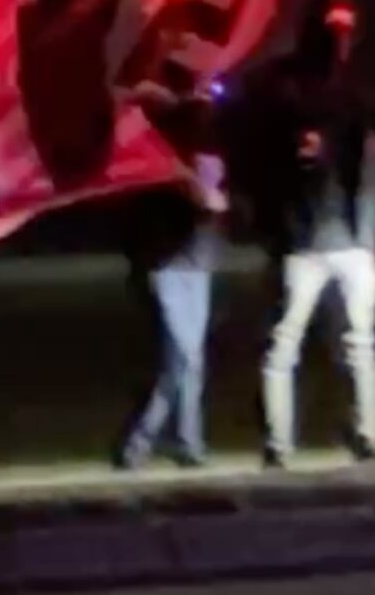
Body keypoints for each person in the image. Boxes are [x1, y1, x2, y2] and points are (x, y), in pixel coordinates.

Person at [252, 0, 375, 469]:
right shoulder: (294, 100)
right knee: (291, 345)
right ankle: (281, 442)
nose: (342, 41)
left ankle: (365, 435)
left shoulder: (354, 105)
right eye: (336, 32)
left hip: (348, 242)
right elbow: (276, 172)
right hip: (311, 243)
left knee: (353, 344)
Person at [114, 28, 229, 470]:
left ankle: (187, 442)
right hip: (167, 257)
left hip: (194, 256)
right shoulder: (156, 137)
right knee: (184, 356)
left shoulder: (199, 136)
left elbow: (211, 189)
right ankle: (142, 443)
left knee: (187, 358)